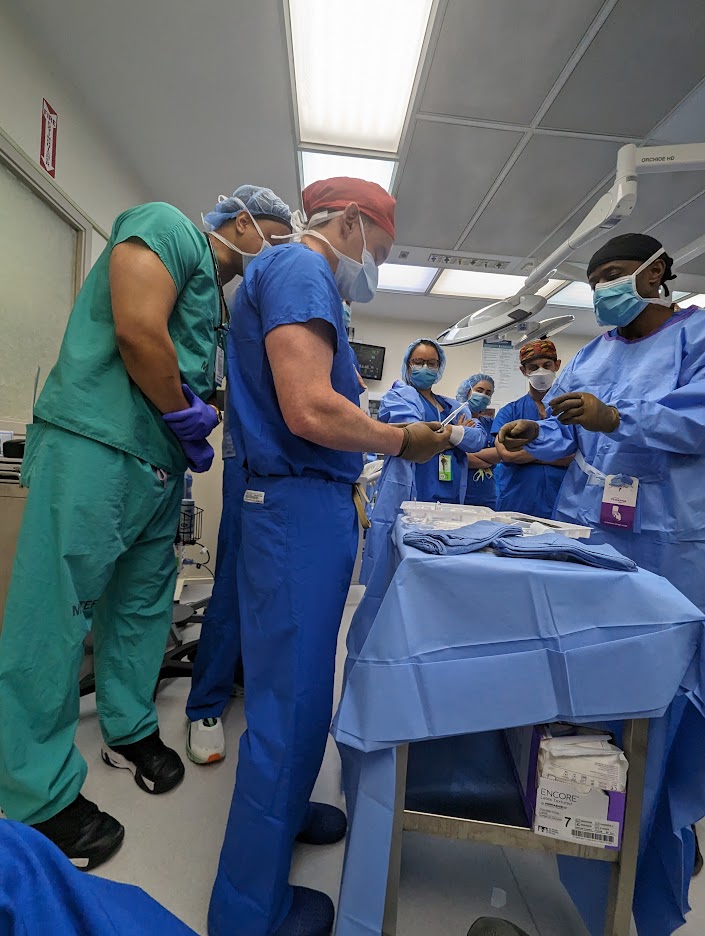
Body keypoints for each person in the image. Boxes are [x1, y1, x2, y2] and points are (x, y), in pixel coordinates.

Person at [0, 185, 293, 871]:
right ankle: (29, 793)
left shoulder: (219, 310)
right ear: (243, 222)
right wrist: (182, 413)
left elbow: (201, 381)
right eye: (275, 237)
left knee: (140, 607)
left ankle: (127, 727)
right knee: (54, 615)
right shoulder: (167, 226)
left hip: (159, 466)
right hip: (96, 447)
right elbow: (136, 328)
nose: (275, 253)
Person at [208, 177, 453, 936]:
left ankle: (282, 815)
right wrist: (396, 438)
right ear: (349, 222)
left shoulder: (296, 278)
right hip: (293, 511)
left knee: (303, 686)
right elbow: (310, 408)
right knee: (287, 704)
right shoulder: (300, 268)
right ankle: (249, 912)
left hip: (301, 505)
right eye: (377, 248)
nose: (374, 264)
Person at [496, 232, 705, 614]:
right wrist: (535, 433)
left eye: (612, 276)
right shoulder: (589, 356)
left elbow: (697, 423)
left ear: (654, 272)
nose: (602, 290)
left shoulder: (697, 337)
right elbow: (564, 430)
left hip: (669, 527)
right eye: (595, 284)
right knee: (586, 623)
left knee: (671, 629)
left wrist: (613, 417)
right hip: (588, 517)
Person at [360, 341, 486, 583]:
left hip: (447, 493)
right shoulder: (398, 396)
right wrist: (456, 434)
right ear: (408, 365)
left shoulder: (452, 405)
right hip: (412, 490)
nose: (425, 367)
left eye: (431, 363)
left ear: (440, 367)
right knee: (400, 562)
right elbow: (415, 436)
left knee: (440, 565)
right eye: (418, 362)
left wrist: (444, 434)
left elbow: (478, 439)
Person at [491, 340, 573, 518]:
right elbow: (507, 454)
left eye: (546, 365)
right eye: (533, 367)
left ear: (557, 365)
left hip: (562, 501)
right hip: (518, 501)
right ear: (523, 371)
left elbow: (578, 457)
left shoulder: (570, 410)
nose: (540, 372)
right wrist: (556, 451)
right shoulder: (510, 412)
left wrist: (527, 454)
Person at [454, 372, 498, 509]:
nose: (484, 395)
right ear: (467, 391)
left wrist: (466, 457)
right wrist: (487, 460)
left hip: (486, 495)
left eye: (488, 393)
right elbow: (453, 458)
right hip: (459, 492)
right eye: (479, 390)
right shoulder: (454, 420)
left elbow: (500, 454)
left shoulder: (490, 424)